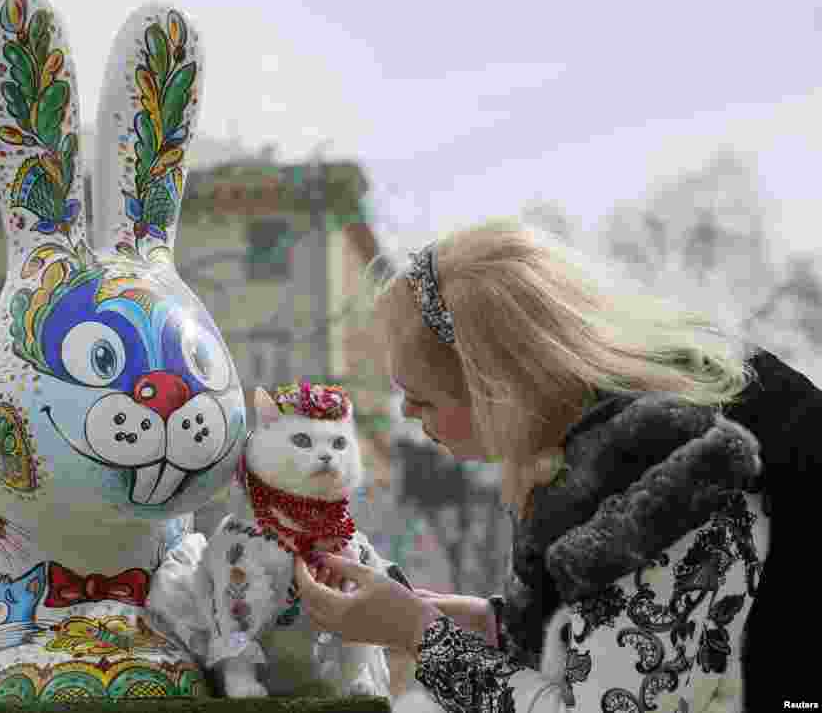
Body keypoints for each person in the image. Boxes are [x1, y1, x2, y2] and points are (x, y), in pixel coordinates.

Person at [294, 219, 812, 712]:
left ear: (497, 390)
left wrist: (419, 635)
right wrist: (480, 624)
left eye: (423, 399)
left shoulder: (662, 471)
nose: (406, 413)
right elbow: (609, 642)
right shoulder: (599, 439)